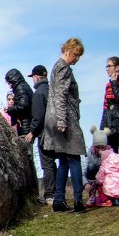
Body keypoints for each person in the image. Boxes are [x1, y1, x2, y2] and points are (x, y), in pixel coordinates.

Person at [43, 38, 86, 213]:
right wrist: (62, 120)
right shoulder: (63, 67)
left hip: (55, 118)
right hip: (64, 119)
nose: (77, 58)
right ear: (68, 50)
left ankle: (59, 200)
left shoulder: (56, 66)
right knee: (74, 158)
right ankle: (78, 201)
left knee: (63, 160)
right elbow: (61, 94)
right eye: (76, 54)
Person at [24, 64, 55, 204]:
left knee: (47, 164)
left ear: (36, 77)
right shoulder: (52, 90)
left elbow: (38, 116)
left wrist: (32, 132)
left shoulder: (38, 93)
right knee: (54, 162)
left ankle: (50, 195)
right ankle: (57, 192)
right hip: (56, 132)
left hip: (43, 133)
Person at [101, 57, 119, 158]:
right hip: (110, 124)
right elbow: (105, 107)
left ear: (117, 67)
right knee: (111, 155)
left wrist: (115, 83)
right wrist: (102, 129)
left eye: (109, 66)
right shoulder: (108, 84)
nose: (107, 69)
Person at [4, 69, 33, 136]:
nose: (9, 86)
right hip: (27, 124)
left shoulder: (20, 88)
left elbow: (23, 105)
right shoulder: (24, 86)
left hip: (25, 126)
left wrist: (9, 110)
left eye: (9, 83)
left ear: (13, 80)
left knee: (25, 145)